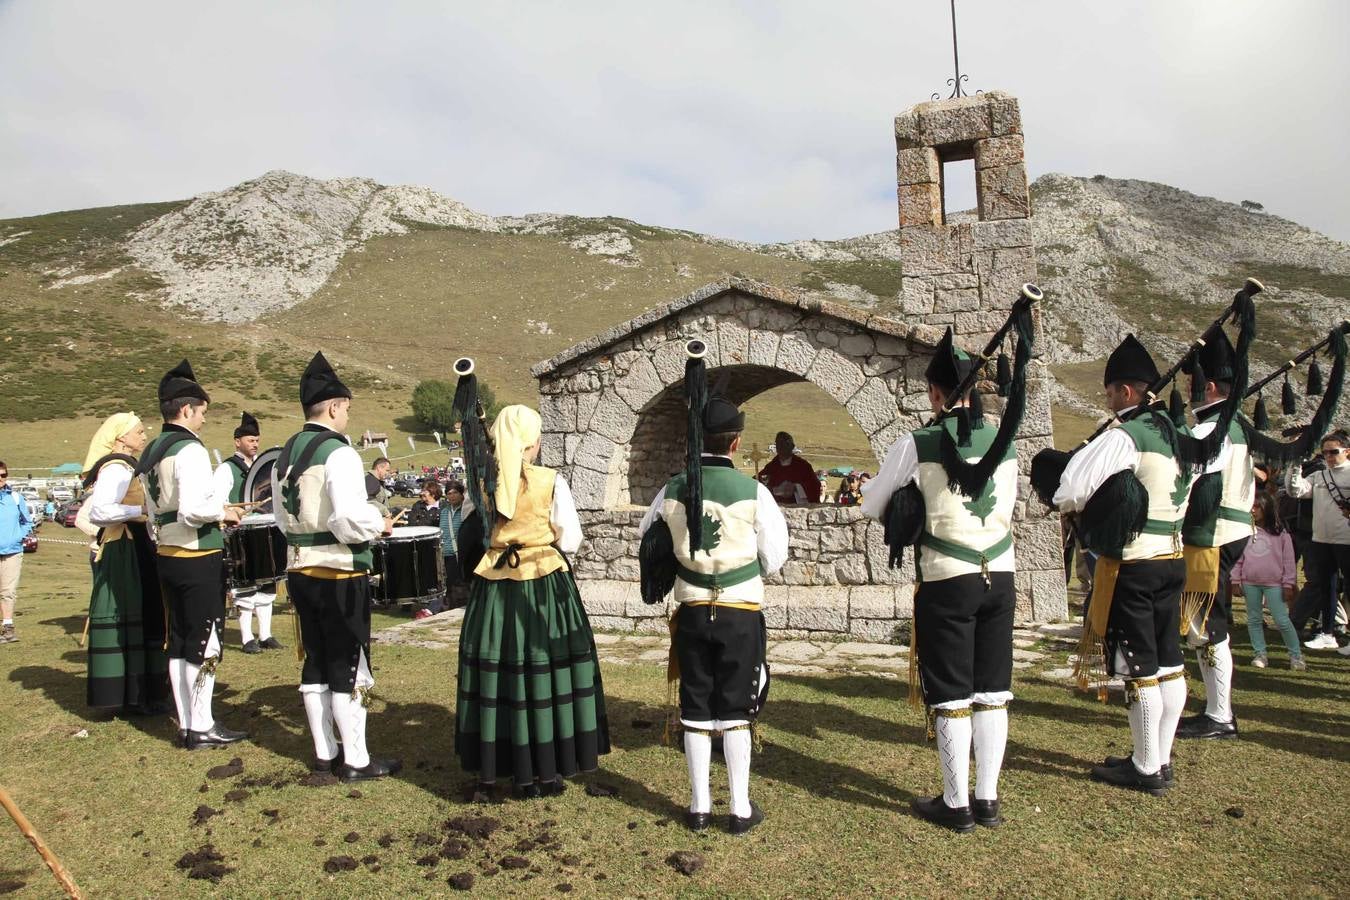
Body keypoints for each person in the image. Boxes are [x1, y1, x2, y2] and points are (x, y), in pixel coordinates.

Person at [861, 323, 1028, 832]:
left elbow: (872, 504)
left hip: (945, 576)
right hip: (999, 573)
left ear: (936, 392)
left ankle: (955, 804)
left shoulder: (919, 441)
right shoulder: (1006, 436)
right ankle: (988, 799)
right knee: (993, 690)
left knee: (953, 691)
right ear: (973, 391)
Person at [638, 378, 788, 834]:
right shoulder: (754, 492)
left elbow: (649, 538)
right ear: (737, 441)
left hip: (692, 610)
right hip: (741, 613)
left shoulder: (671, 489)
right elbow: (775, 559)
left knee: (696, 708)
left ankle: (699, 808)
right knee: (737, 711)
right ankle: (740, 809)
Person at [1048, 335, 1189, 796]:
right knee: (1169, 663)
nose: (1107, 400)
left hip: (1135, 563)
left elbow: (1071, 488)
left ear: (1126, 392)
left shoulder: (1125, 435)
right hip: (1172, 557)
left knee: (1140, 667)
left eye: (1109, 392)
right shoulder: (1173, 434)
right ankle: (1158, 758)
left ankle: (1146, 767)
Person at [455, 400, 609, 800]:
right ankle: (545, 771)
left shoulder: (480, 484)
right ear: (531, 441)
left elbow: (470, 536)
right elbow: (570, 538)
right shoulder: (550, 481)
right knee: (543, 671)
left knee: (500, 673)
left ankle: (494, 771)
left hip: (494, 590)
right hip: (543, 589)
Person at [273, 352, 399, 781]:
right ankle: (357, 760)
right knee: (349, 662)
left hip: (300, 570)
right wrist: (377, 523)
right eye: (346, 407)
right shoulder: (338, 452)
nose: (347, 415)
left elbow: (279, 517)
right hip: (339, 571)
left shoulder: (285, 453)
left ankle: (325, 752)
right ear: (332, 406)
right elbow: (347, 519)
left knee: (316, 662)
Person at [135, 360, 246, 749]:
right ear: (186, 410)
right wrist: (225, 512)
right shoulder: (190, 449)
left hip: (166, 552)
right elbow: (195, 510)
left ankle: (187, 722)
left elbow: (153, 511)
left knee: (180, 642)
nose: (203, 421)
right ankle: (202, 723)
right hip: (197, 555)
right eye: (201, 413)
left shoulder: (151, 450)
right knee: (207, 642)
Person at [1176, 330, 1252, 741]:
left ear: (1207, 386)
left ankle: (1220, 714)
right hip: (1229, 529)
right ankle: (1216, 709)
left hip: (1212, 534)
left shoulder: (1211, 430)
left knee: (1206, 623)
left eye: (1193, 387)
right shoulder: (1229, 424)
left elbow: (1190, 472)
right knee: (1206, 621)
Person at [82, 413, 173, 713]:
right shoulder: (116, 469)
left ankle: (144, 692)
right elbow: (100, 512)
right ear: (121, 437)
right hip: (125, 548)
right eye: (138, 431)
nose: (144, 435)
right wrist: (140, 508)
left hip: (135, 543)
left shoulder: (126, 467)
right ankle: (133, 696)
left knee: (147, 611)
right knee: (136, 611)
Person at [214, 412, 282, 653]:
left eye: (257, 440)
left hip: (264, 532)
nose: (255, 444)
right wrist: (235, 512)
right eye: (250, 440)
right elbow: (218, 502)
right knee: (246, 587)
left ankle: (265, 634)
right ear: (237, 441)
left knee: (266, 584)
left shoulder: (263, 469)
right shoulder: (226, 469)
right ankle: (246, 638)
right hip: (240, 535)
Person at [1286, 430, 1350, 654]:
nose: (1329, 457)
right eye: (1325, 453)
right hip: (1321, 539)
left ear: (1347, 452)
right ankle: (1327, 633)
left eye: (1334, 452)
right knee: (1326, 587)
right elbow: (1296, 491)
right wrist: (1295, 465)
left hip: (1346, 540)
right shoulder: (1320, 475)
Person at [1231, 493, 1304, 670]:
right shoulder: (1245, 531)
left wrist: (1288, 584)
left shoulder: (1281, 534)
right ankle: (1260, 653)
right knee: (1254, 619)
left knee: (1282, 620)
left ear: (1267, 508)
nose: (1253, 510)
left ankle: (1296, 655)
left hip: (1274, 584)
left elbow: (1288, 561)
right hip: (1250, 583)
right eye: (1251, 507)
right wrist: (1235, 580)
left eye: (1257, 507)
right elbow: (1238, 558)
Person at [0, 460, 34, 644]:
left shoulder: (15, 497)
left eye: (3, 475)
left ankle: (8, 628)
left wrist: (18, 536)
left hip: (12, 552)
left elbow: (27, 521)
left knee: (8, 591)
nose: (1, 479)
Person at [756, 432, 821, 505]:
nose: (781, 447)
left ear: (792, 446)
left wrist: (797, 487)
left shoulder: (803, 466)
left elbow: (815, 486)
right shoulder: (771, 467)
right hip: (775, 507)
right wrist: (771, 489)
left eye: (785, 444)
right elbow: (758, 483)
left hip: (797, 509)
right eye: (779, 444)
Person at [440, 479, 469, 608]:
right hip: (446, 553)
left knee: (463, 583)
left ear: (462, 494)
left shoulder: (466, 510)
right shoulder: (444, 512)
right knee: (450, 584)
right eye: (449, 493)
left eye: (455, 492)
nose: (452, 496)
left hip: (461, 553)